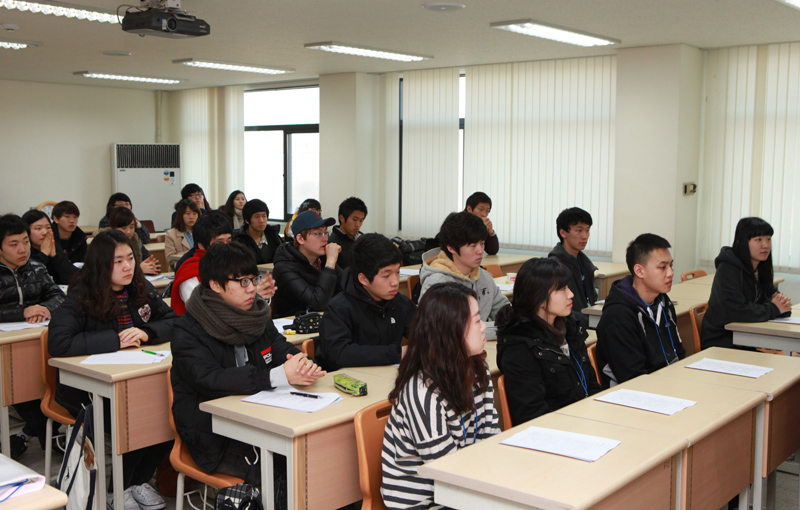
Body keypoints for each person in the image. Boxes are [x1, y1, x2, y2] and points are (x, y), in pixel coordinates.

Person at [170, 242, 324, 491]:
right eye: (242, 282)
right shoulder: (188, 329)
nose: (252, 288)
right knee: (286, 470)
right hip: (213, 436)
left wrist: (303, 364)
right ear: (215, 285)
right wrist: (274, 376)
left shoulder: (256, 315)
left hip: (262, 419)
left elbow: (280, 348)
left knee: (317, 455)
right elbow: (211, 379)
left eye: (253, 279)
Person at [48, 230, 176, 510]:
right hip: (86, 390)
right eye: (118, 261)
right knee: (137, 416)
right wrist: (115, 341)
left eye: (130, 258)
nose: (128, 266)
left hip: (133, 380)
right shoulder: (83, 294)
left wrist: (146, 332)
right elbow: (58, 342)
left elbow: (174, 321)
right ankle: (116, 488)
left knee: (170, 412)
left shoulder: (140, 287)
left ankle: (136, 481)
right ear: (101, 264)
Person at [381, 282, 500, 510]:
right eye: (477, 321)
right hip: (425, 502)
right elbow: (446, 471)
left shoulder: (477, 370)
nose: (484, 327)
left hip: (467, 487)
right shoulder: (422, 392)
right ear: (451, 330)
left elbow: (490, 435)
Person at [496, 258, 601, 425]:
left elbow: (592, 387)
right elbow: (532, 415)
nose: (571, 294)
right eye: (562, 289)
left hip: (584, 421)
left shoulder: (572, 330)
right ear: (539, 297)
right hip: (555, 430)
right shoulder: (519, 347)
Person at [0, 214, 66, 459]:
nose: (23, 249)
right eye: (14, 244)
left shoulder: (37, 268)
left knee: (50, 383)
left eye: (26, 242)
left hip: (37, 343)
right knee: (18, 388)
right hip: (6, 350)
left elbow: (59, 296)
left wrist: (45, 308)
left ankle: (40, 434)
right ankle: (49, 436)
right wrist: (22, 312)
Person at [596, 234, 686, 386]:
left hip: (668, 383)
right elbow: (633, 379)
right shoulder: (618, 316)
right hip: (635, 393)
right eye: (662, 267)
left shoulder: (663, 303)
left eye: (671, 266)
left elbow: (679, 353)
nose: (670, 273)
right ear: (639, 271)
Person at [316, 233, 415, 371]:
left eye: (398, 272)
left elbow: (426, 335)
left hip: (386, 377)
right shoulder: (339, 309)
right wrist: (397, 353)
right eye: (386, 275)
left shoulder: (401, 303)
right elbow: (338, 353)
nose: (395, 282)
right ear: (363, 279)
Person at [702, 217, 792, 350]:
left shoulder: (760, 267)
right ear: (741, 242)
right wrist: (774, 308)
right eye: (758, 239)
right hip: (722, 341)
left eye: (768, 239)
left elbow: (770, 297)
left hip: (747, 336)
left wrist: (782, 304)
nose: (765, 245)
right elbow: (735, 311)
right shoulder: (728, 268)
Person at [419, 211, 509, 339]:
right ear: (451, 248)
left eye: (482, 243)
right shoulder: (437, 283)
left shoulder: (484, 277)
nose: (480, 251)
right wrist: (501, 329)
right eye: (473, 245)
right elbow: (451, 332)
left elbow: (506, 316)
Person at [272, 210, 342, 318]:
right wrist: (330, 264)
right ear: (300, 239)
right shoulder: (284, 268)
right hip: (292, 325)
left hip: (323, 321)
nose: (325, 239)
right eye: (318, 233)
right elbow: (316, 304)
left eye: (326, 232)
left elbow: (347, 288)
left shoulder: (322, 259)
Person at [170, 211, 233, 315]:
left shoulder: (233, 264)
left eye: (229, 241)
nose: (227, 247)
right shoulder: (189, 273)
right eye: (219, 242)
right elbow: (203, 312)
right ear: (201, 245)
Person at [548, 207, 598, 328]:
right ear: (563, 233)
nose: (584, 236)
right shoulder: (555, 266)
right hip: (572, 326)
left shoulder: (585, 263)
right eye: (579, 230)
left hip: (586, 322)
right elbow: (561, 311)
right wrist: (592, 322)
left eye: (587, 230)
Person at [22, 209, 77, 286]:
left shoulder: (55, 246)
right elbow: (29, 280)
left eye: (48, 227)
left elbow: (75, 276)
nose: (45, 232)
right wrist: (43, 254)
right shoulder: (23, 252)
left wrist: (55, 256)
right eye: (38, 228)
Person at [108, 207, 161, 275]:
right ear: (112, 228)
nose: (128, 231)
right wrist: (139, 269)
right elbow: (107, 271)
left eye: (131, 227)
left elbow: (156, 266)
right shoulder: (106, 243)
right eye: (124, 228)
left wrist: (152, 267)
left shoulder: (135, 240)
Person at [233, 199, 283, 264]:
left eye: (264, 216)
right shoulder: (239, 241)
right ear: (247, 220)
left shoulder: (274, 237)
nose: (261, 220)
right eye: (257, 217)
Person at [328, 197, 367, 269]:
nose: (358, 224)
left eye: (361, 221)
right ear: (342, 218)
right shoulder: (332, 244)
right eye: (354, 220)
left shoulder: (364, 240)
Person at [165, 199, 201, 271]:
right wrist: (192, 254)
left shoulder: (203, 231)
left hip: (201, 269)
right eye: (188, 213)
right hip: (182, 269)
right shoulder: (171, 234)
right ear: (181, 215)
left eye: (194, 213)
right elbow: (170, 259)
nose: (191, 217)